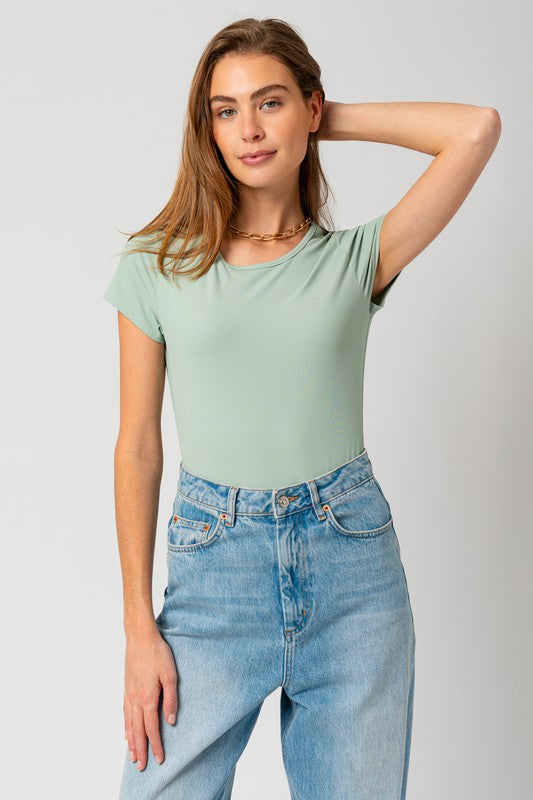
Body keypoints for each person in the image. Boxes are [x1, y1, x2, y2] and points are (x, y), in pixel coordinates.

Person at [102, 16, 501, 800]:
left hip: (352, 569)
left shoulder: (355, 259)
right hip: (213, 570)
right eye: (225, 109)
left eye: (270, 103)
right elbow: (137, 446)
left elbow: (475, 130)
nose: (247, 129)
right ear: (204, 125)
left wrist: (328, 116)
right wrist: (137, 627)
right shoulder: (155, 265)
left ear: (308, 110)